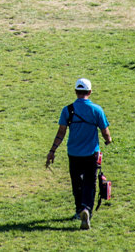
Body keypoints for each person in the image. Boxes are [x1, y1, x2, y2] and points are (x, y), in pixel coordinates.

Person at [45, 77, 111, 230]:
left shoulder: (67, 110)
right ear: (90, 92)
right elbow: (105, 131)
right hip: (92, 153)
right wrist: (108, 140)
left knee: (77, 183)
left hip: (73, 153)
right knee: (90, 183)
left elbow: (61, 133)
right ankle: (87, 209)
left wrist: (52, 151)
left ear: (76, 92)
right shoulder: (96, 110)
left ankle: (78, 210)